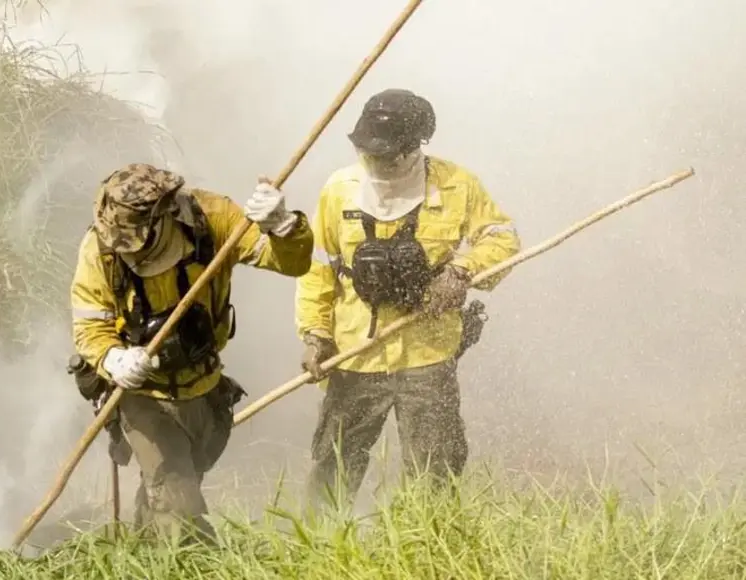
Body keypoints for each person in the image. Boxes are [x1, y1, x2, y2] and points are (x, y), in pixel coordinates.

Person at [295, 88, 522, 509]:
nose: (378, 162)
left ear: (415, 145)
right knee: (333, 465)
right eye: (369, 153)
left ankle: (426, 540)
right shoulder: (340, 189)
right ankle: (320, 539)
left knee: (435, 467)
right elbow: (317, 270)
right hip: (355, 354)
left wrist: (461, 271)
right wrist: (315, 335)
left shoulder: (456, 185)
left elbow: (502, 238)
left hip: (428, 356)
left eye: (387, 155)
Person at [69, 162, 313, 543]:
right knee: (177, 500)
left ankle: (143, 550)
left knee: (178, 482)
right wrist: (114, 359)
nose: (125, 251)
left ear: (164, 215)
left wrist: (282, 226)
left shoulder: (212, 219)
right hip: (142, 395)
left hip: (203, 387)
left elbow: (293, 262)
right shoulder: (100, 248)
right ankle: (201, 560)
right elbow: (89, 327)